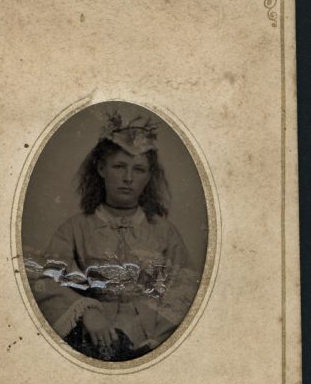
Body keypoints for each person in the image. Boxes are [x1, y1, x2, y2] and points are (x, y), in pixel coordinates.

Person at [25, 111, 199, 361]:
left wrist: (151, 336)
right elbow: (45, 280)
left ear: (149, 176)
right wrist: (87, 312)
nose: (128, 178)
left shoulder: (164, 231)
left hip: (154, 341)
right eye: (119, 166)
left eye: (138, 170)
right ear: (101, 168)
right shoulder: (75, 228)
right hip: (93, 338)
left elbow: (185, 291)